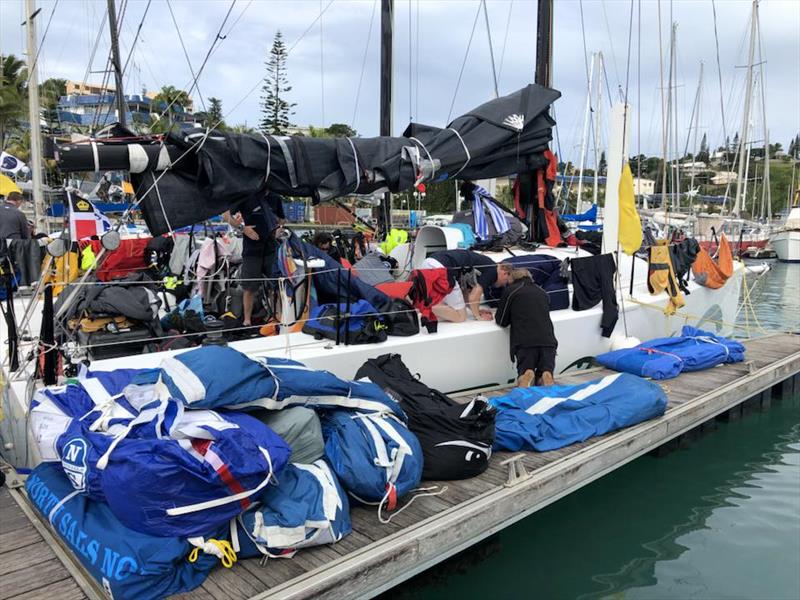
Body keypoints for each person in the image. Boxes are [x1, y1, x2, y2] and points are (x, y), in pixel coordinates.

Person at [223, 191, 286, 327]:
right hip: (251, 249)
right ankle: (247, 321)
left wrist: (278, 229)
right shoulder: (246, 196)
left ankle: (275, 317)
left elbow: (282, 219)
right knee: (250, 287)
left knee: (274, 285)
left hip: (271, 248)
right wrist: (243, 228)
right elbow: (225, 214)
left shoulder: (275, 198)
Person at [495, 268, 558, 387]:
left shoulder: (511, 291)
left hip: (525, 342)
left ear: (512, 278)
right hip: (548, 341)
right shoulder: (542, 292)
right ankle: (546, 375)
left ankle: (526, 374)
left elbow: (502, 320)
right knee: (546, 371)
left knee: (524, 371)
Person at [423, 249, 512, 322]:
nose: (503, 285)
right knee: (461, 317)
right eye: (506, 282)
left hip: (429, 262)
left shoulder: (482, 266)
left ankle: (423, 305)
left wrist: (477, 310)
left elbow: (465, 294)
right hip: (441, 268)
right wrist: (478, 317)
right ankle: (422, 306)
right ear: (505, 273)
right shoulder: (492, 270)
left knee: (446, 306)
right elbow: (473, 297)